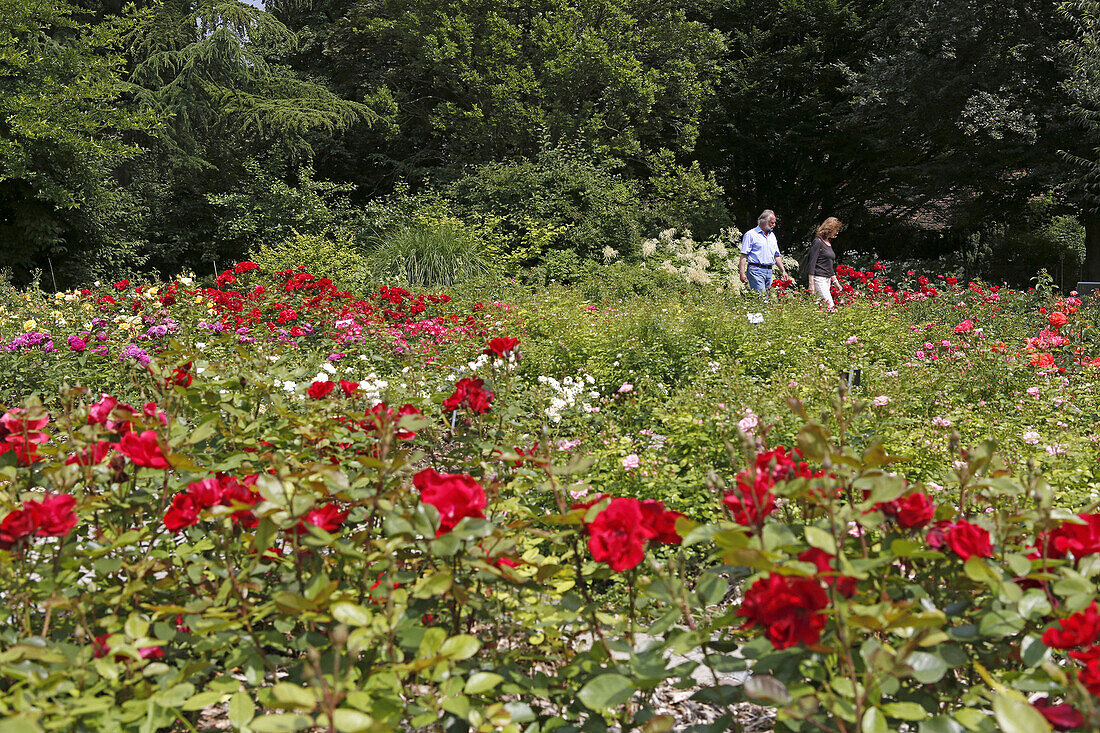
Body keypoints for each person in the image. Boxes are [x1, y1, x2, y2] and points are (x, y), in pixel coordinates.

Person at [739, 210, 789, 294]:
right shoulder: (751, 234)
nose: (774, 225)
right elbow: (744, 255)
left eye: (774, 223)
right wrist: (742, 272)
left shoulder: (772, 236)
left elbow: (777, 255)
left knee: (765, 300)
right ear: (764, 222)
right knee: (761, 299)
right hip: (756, 270)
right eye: (772, 223)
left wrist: (783, 270)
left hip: (769, 271)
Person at [806, 217, 843, 308]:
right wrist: (811, 284)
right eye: (836, 230)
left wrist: (835, 282)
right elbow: (812, 263)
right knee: (830, 306)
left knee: (820, 307)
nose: (837, 232)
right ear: (830, 229)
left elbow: (829, 266)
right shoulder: (818, 242)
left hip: (827, 280)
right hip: (819, 279)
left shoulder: (828, 243)